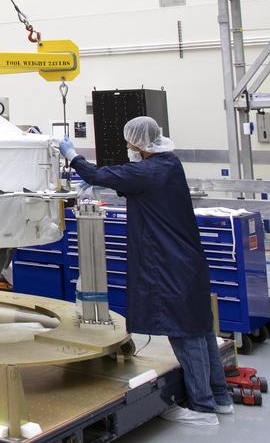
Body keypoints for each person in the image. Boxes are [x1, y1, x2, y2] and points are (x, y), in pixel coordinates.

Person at [59, 117, 234, 427]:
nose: (128, 147)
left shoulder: (147, 171)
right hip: (188, 260)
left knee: (185, 333)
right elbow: (128, 183)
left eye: (130, 142)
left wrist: (72, 155)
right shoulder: (169, 164)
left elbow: (101, 174)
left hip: (170, 264)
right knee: (202, 328)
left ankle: (203, 407)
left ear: (140, 143)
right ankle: (220, 398)